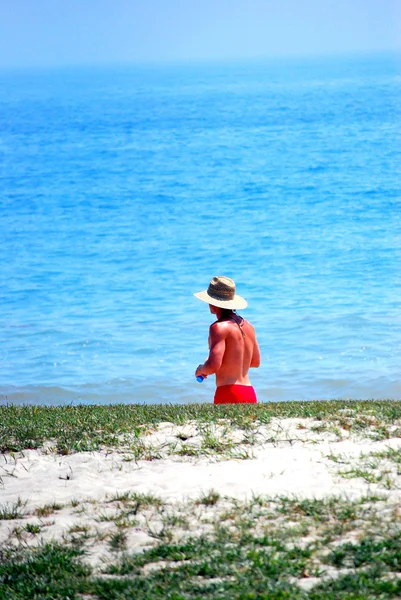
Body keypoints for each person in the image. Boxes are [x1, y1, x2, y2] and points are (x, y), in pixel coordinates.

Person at [194, 276, 260, 404]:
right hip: (249, 393)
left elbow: (213, 366)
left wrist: (201, 369)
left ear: (213, 302)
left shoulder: (218, 327)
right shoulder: (249, 327)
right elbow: (255, 362)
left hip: (228, 393)